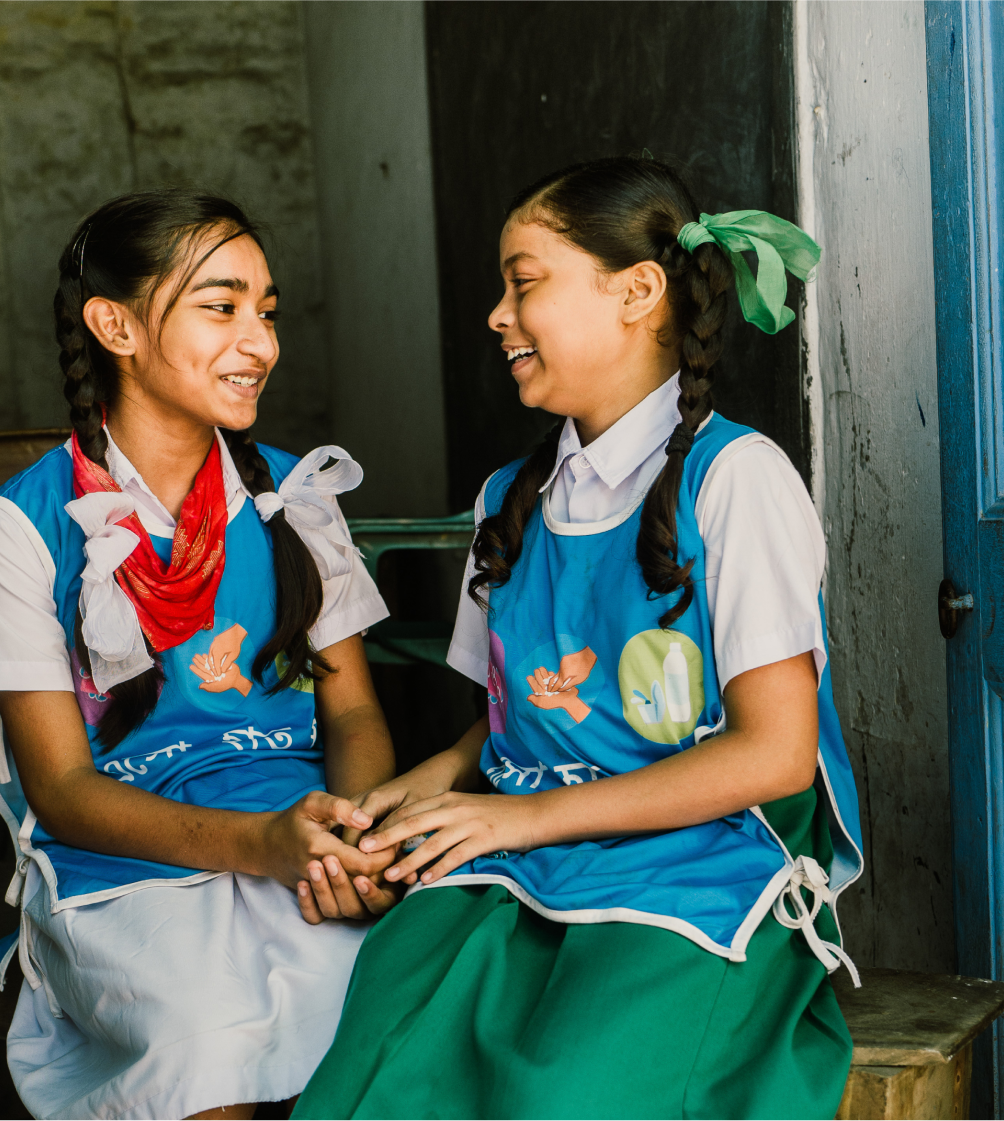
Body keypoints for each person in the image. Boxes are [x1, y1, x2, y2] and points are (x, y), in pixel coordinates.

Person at [293, 157, 864, 1121]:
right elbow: (508, 728)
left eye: (524, 283)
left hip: (697, 869)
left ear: (638, 292)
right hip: (528, 863)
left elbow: (774, 754)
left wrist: (516, 819)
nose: (497, 315)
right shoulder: (507, 503)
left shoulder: (736, 478)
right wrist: (407, 797)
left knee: (562, 1093)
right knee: (380, 1070)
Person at [0, 189, 400, 1121]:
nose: (261, 343)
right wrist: (261, 848)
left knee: (398, 1002)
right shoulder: (19, 529)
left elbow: (352, 710)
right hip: (126, 870)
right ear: (114, 325)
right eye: (221, 305)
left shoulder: (295, 495)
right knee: (201, 1039)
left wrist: (350, 839)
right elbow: (64, 793)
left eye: (267, 311)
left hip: (304, 837)